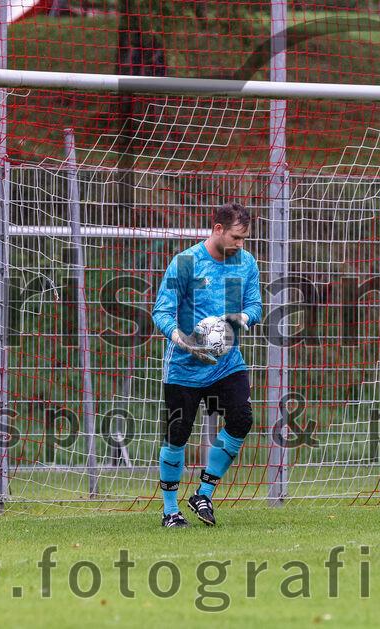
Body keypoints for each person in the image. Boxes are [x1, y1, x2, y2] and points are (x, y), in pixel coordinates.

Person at [151, 202, 262, 527]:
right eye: (237, 238)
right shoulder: (185, 263)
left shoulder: (246, 263)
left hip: (227, 363)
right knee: (177, 435)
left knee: (241, 420)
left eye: (245, 239)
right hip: (184, 366)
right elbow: (161, 311)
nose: (241, 246)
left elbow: (255, 304)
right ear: (217, 229)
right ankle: (170, 511)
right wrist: (182, 340)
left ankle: (203, 493)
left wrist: (242, 317)